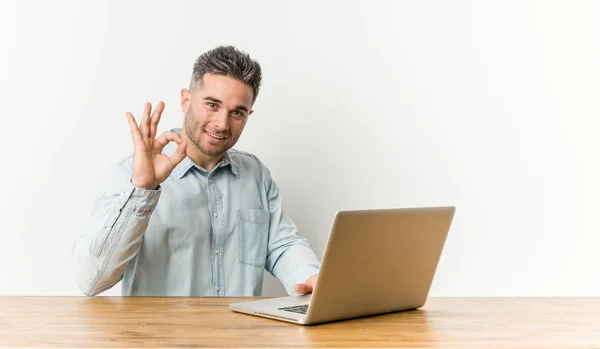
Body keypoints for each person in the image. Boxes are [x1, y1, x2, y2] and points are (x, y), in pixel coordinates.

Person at [71, 46, 321, 297]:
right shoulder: (131, 173)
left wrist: (311, 277)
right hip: (159, 337)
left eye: (237, 112)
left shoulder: (255, 174)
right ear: (186, 100)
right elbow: (90, 280)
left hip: (239, 335)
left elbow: (282, 244)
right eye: (212, 105)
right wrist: (141, 189)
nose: (222, 124)